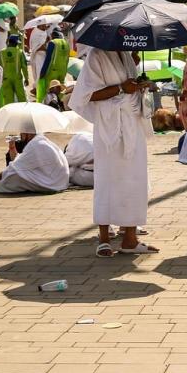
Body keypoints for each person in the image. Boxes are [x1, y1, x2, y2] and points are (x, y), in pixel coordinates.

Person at [69, 48, 158, 258]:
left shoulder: (126, 54)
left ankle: (130, 238)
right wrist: (121, 88)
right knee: (108, 180)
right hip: (109, 127)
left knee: (134, 180)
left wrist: (139, 82)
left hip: (132, 124)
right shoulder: (96, 55)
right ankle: (104, 238)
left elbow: (130, 88)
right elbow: (86, 95)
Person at [0, 133, 69, 193]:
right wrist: (12, 147)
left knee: (13, 176)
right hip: (57, 180)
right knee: (15, 172)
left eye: (23, 132)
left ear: (28, 133)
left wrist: (0, 176)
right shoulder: (39, 141)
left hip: (52, 183)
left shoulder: (36, 144)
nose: (21, 135)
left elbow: (18, 166)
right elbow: (20, 160)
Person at [36, 30, 69, 103]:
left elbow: (48, 59)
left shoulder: (53, 43)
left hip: (52, 71)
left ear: (53, 36)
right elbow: (67, 59)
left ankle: (51, 105)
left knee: (50, 90)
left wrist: (43, 72)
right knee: (60, 90)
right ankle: (60, 105)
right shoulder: (66, 43)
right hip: (63, 71)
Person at [0, 34, 27, 107]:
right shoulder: (20, 52)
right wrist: (26, 78)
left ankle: (10, 116)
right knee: (22, 99)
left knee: (8, 101)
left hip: (5, 79)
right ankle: (23, 114)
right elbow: (24, 66)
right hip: (17, 79)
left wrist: (0, 79)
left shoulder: (1, 53)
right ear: (16, 43)